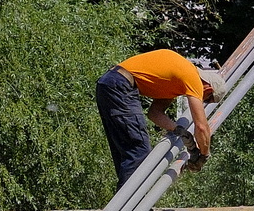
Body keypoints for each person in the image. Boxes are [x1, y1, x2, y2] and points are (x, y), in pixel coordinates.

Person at [94, 49, 228, 185]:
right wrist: (204, 156)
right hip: (120, 86)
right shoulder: (192, 77)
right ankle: (133, 205)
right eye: (206, 100)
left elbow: (154, 113)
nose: (202, 101)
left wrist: (179, 131)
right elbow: (201, 127)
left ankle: (124, 204)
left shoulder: (175, 82)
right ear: (208, 89)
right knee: (139, 151)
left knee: (128, 152)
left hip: (108, 84)